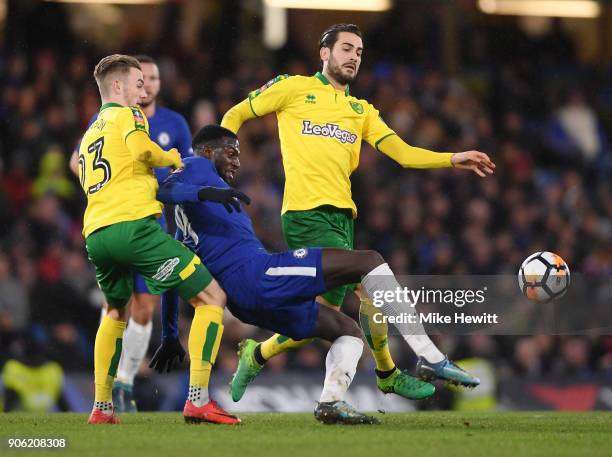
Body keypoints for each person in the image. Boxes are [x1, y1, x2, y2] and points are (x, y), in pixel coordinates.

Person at [220, 23, 494, 400]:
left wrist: (452, 158)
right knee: (371, 282)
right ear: (324, 52)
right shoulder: (293, 88)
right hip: (306, 214)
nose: (353, 57)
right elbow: (235, 115)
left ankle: (258, 352)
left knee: (320, 318)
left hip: (343, 218)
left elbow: (403, 153)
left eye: (359, 52)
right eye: (347, 48)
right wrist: (219, 163)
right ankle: (406, 364)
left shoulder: (360, 110)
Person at [152, 125, 493, 423]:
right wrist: (205, 190)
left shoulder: (186, 224)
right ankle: (430, 356)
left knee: (346, 329)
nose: (237, 161)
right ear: (208, 151)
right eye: (231, 152)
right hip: (256, 274)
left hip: (243, 299)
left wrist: (169, 334)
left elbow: (176, 273)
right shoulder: (195, 165)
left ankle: (330, 401)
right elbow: (164, 189)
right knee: (369, 260)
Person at [80, 55, 246, 425]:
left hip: (97, 234)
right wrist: (168, 157)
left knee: (115, 312)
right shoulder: (129, 115)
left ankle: (102, 406)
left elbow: (88, 176)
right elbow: (143, 151)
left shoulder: (92, 132)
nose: (145, 90)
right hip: (134, 229)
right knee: (212, 298)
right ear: (118, 87)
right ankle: (199, 400)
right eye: (138, 83)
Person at [70, 55, 192, 412]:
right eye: (143, 79)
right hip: (129, 216)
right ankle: (113, 385)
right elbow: (80, 158)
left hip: (149, 218)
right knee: (122, 306)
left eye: (153, 79)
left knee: (142, 307)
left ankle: (120, 384)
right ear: (126, 83)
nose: (149, 85)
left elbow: (189, 168)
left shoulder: (174, 122)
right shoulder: (120, 116)